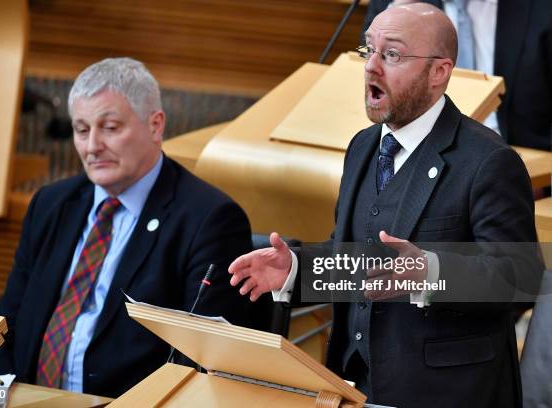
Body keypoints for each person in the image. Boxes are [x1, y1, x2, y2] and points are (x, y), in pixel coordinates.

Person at [228, 4, 541, 407]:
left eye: (391, 54)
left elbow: (520, 278)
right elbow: (355, 261)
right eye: (368, 50)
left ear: (439, 72)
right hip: (355, 388)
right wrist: (298, 270)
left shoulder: (489, 160)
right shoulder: (362, 147)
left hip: (450, 395)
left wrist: (431, 272)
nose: (371, 67)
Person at [0, 58, 253, 398]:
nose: (92, 146)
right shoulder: (50, 204)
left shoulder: (209, 219)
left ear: (155, 126)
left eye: (109, 128)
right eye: (81, 130)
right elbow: (5, 327)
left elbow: (201, 366)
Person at [362, 0, 552, 151]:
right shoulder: (395, 5)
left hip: (523, 163)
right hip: (421, 155)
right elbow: (371, 76)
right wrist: (399, 9)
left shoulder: (542, 9)